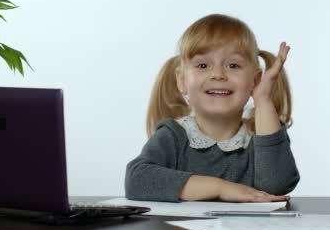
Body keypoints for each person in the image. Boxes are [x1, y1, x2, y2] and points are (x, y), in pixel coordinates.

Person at [125, 14, 300, 202]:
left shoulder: (262, 135)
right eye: (202, 65)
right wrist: (220, 188)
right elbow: (137, 180)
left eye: (233, 65)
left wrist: (263, 99)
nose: (218, 75)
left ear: (255, 81)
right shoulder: (173, 136)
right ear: (181, 80)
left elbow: (277, 185)